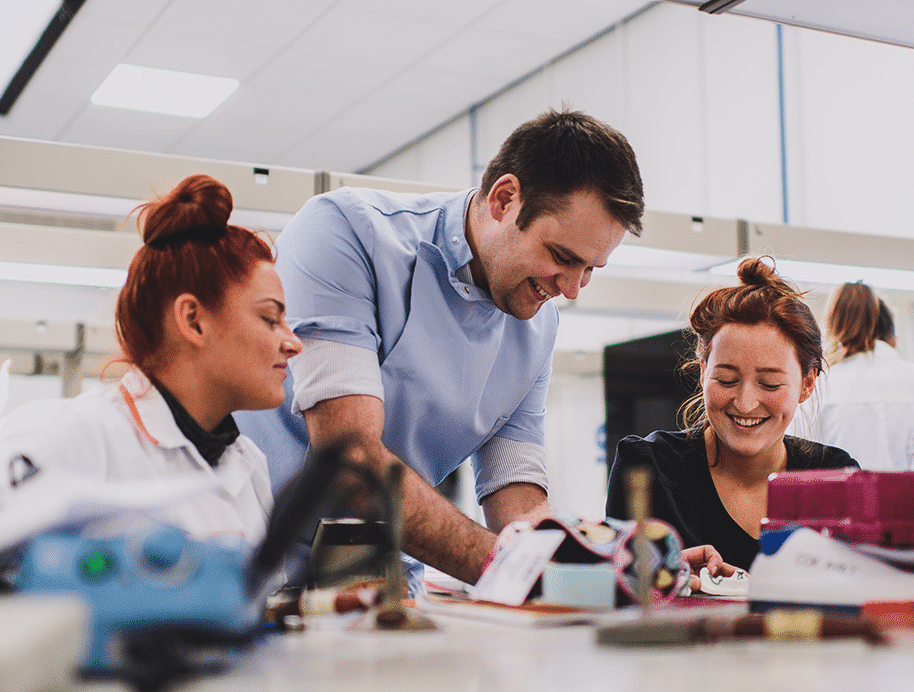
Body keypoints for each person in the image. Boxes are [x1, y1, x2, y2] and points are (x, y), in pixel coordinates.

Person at [236, 109, 649, 593]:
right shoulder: (348, 233)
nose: (572, 289)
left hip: (383, 587)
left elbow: (514, 489)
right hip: (252, 572)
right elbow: (350, 458)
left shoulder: (537, 328)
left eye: (591, 269)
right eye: (562, 258)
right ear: (504, 199)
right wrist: (513, 571)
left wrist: (595, 569)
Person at [0, 174, 302, 544]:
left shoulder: (247, 463)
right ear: (193, 320)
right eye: (271, 319)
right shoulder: (72, 435)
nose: (293, 343)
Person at [606, 258, 858, 571]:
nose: (746, 403)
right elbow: (617, 591)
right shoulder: (647, 468)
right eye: (727, 380)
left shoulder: (834, 477)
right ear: (702, 372)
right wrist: (667, 580)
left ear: (807, 384)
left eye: (769, 383)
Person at [799, 281, 914, 471]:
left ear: (831, 333)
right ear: (892, 337)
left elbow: (799, 476)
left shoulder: (816, 392)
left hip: (845, 501)